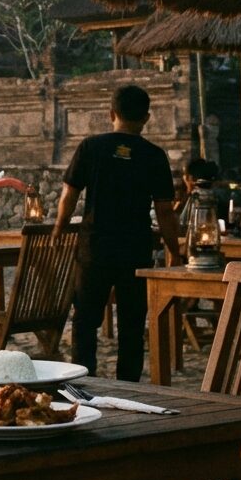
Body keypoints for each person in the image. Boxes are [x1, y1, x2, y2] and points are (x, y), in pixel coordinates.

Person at [55, 85, 183, 381]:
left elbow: (69, 196)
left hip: (94, 247)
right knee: (132, 325)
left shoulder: (90, 147)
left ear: (111, 114)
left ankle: (82, 384)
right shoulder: (154, 155)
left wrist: (59, 229)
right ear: (147, 118)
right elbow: (164, 211)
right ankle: (129, 386)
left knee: (85, 322)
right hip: (135, 251)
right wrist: (174, 250)